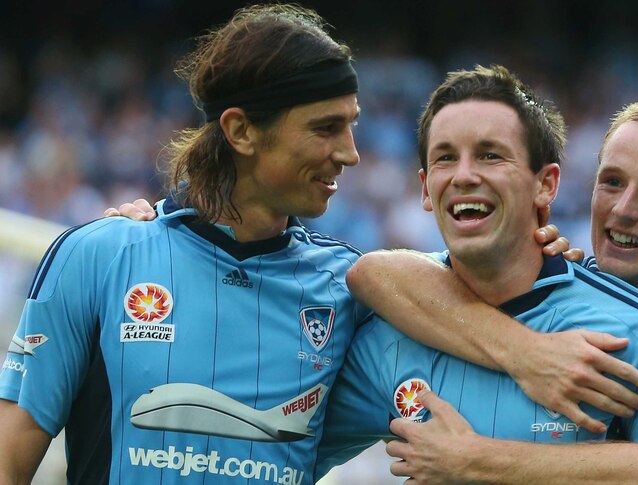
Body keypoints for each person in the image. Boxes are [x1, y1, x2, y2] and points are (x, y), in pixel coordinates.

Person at [0, 5, 368, 484]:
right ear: (240, 131)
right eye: (326, 127)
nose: (350, 153)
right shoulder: (100, 257)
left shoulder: (350, 290)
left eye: (352, 124)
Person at [353, 98, 638, 484]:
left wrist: (473, 460)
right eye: (612, 182)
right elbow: (377, 274)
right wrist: (524, 351)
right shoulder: (570, 282)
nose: (622, 210)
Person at [312, 66, 638, 479]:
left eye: (490, 155)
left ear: (545, 185)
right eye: (445, 158)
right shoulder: (389, 338)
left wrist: (476, 464)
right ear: (425, 188)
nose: (463, 175)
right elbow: (283, 457)